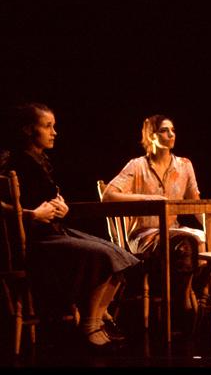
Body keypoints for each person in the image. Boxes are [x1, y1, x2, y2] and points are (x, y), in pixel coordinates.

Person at [0, 103, 140, 348]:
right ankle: (89, 326)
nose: (54, 132)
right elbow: (9, 205)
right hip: (37, 241)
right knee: (104, 256)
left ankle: (97, 318)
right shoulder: (14, 161)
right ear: (28, 130)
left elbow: (49, 194)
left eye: (54, 126)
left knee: (123, 256)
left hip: (54, 231)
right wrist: (30, 215)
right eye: (47, 126)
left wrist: (61, 206)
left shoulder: (40, 159)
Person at [101, 114, 211, 323]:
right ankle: (185, 302)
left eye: (172, 130)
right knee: (189, 244)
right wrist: (147, 198)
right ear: (151, 135)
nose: (171, 134)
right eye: (164, 130)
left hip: (174, 231)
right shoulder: (137, 166)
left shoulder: (184, 165)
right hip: (143, 235)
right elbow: (108, 195)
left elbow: (195, 203)